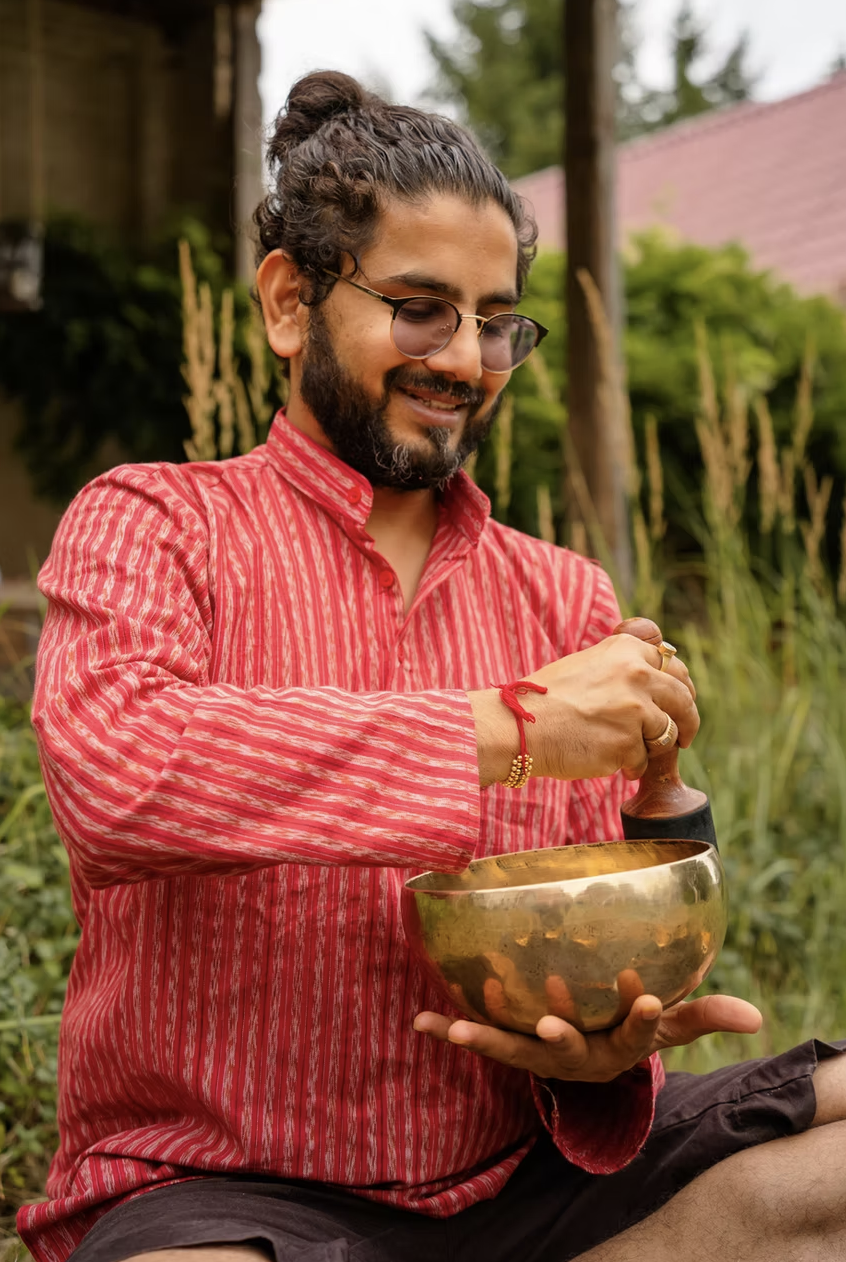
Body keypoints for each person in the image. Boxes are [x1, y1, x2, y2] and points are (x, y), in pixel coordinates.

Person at [20, 72, 844, 1262]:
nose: (466, 358)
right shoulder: (151, 524)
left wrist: (612, 1045)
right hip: (222, 1189)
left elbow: (579, 945)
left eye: (496, 318)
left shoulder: (565, 596)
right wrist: (505, 725)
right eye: (419, 307)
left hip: (525, 1189)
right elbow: (121, 772)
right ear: (290, 302)